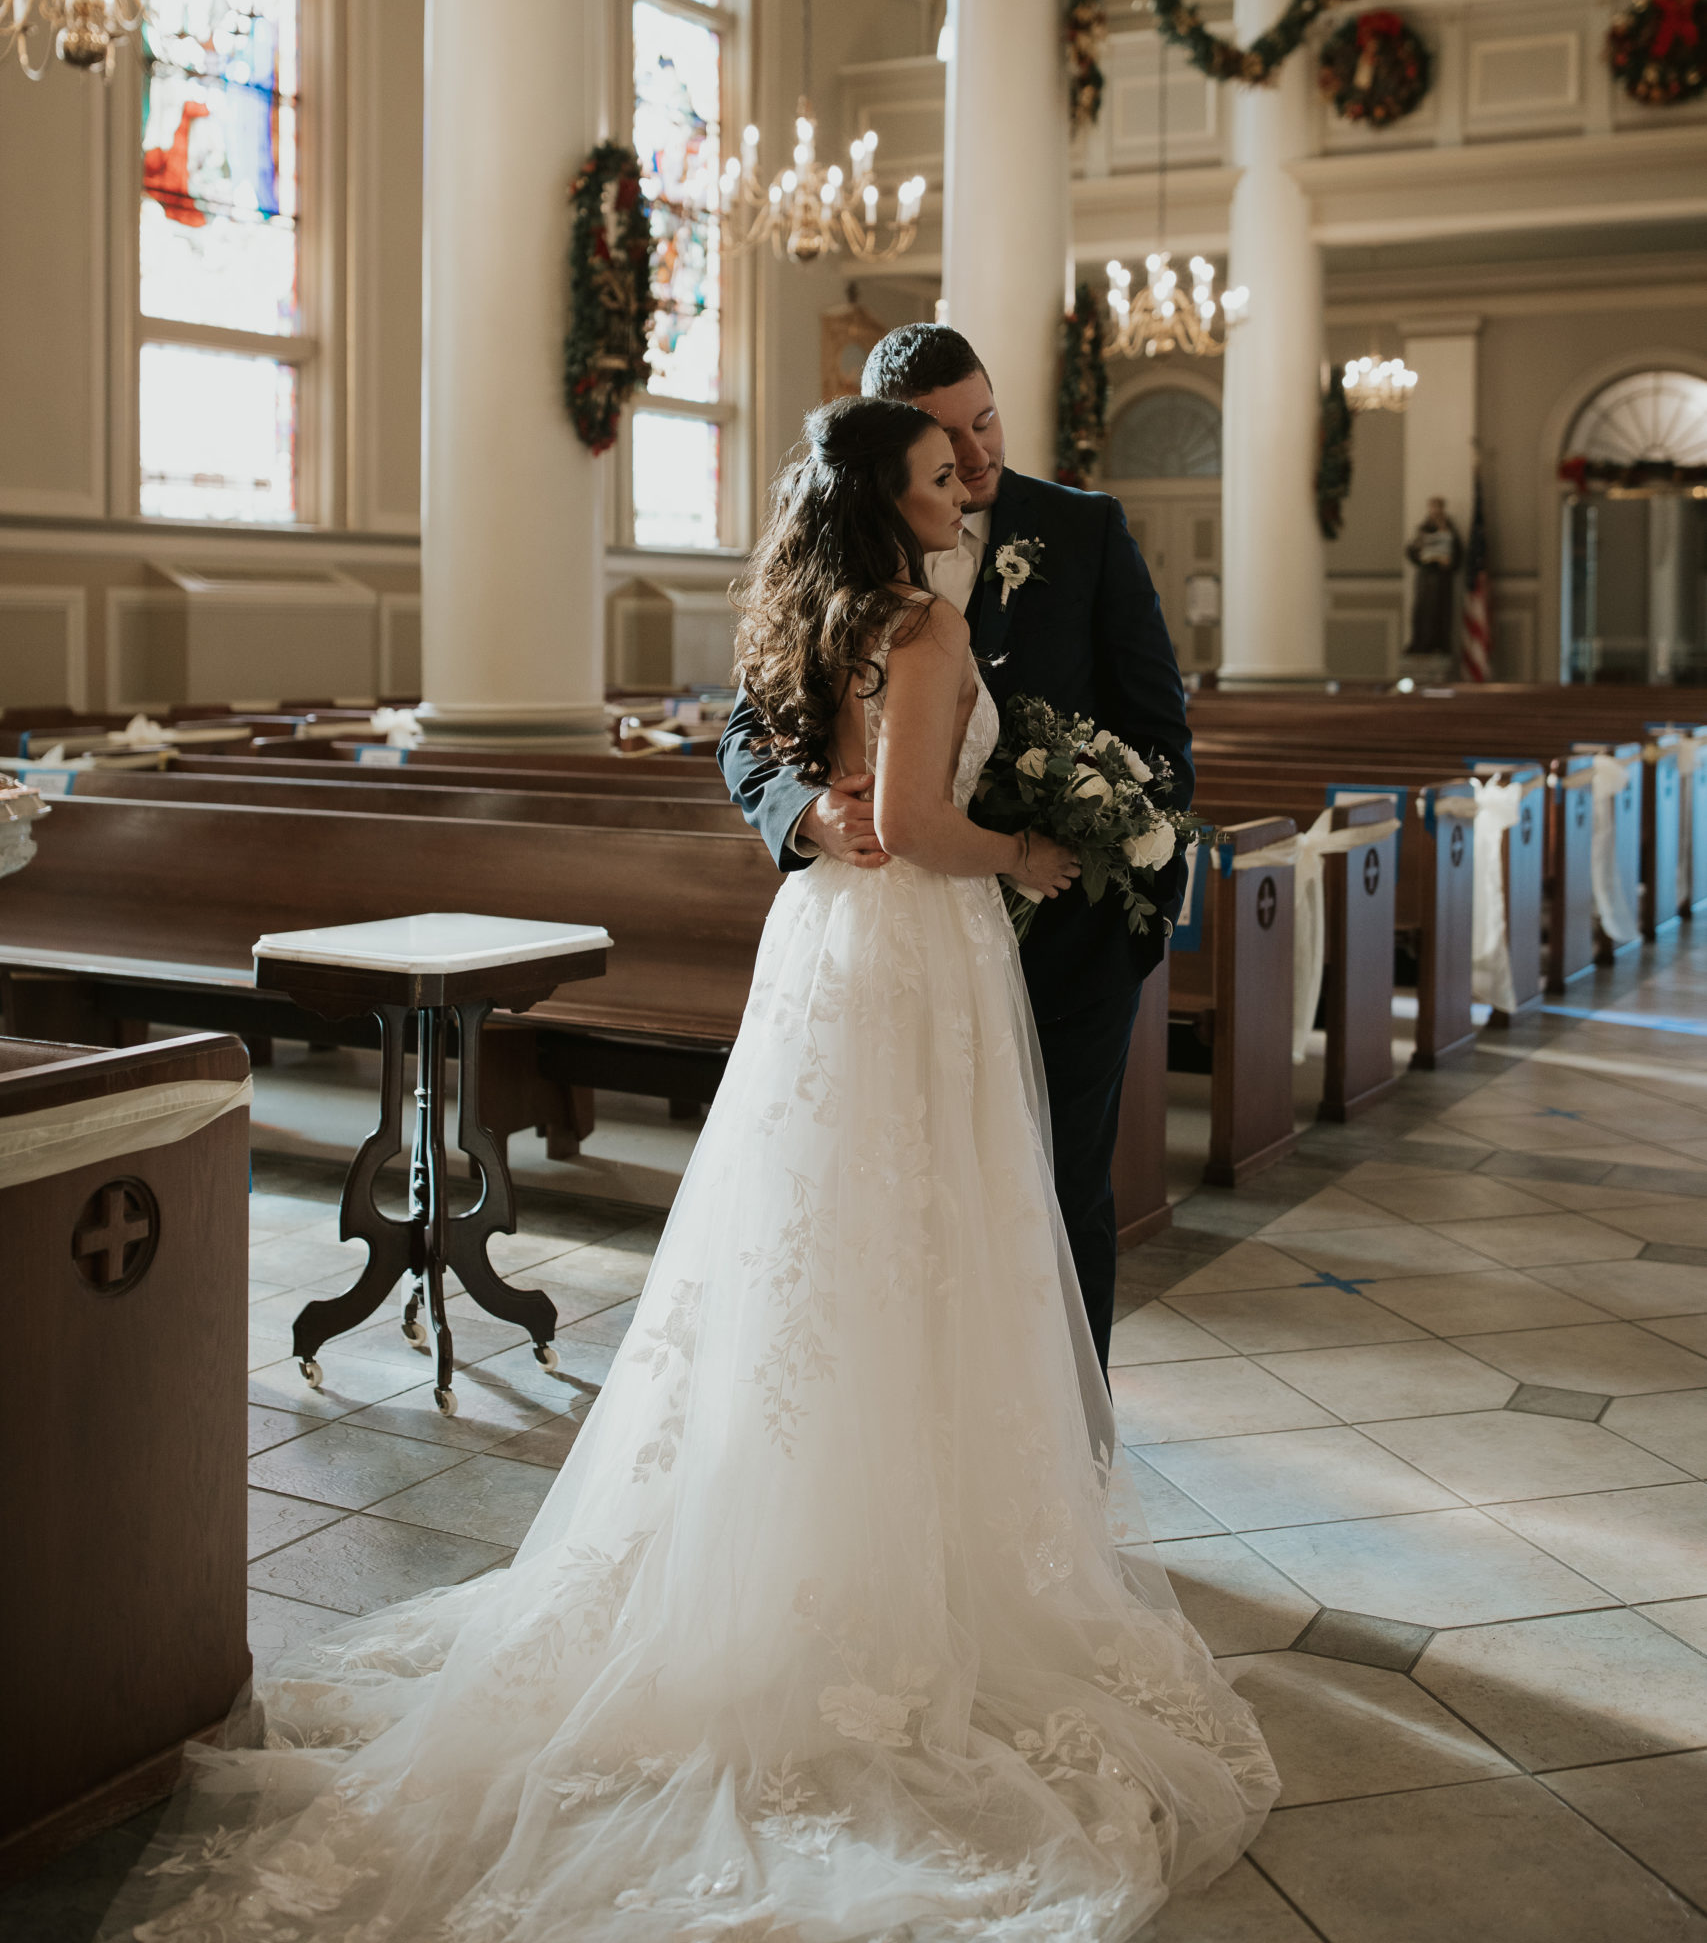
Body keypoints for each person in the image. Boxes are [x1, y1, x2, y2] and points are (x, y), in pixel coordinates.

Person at [114, 395, 1274, 1943]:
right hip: (911, 944)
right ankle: (906, 1549)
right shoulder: (920, 633)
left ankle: (815, 1522)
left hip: (823, 957)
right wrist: (1028, 855)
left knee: (831, 1238)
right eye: (939, 470)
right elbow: (918, 823)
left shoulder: (816, 615)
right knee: (914, 1228)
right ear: (889, 494)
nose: (962, 484)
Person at [720, 323, 1191, 1372]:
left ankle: (1068, 1456)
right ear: (891, 456)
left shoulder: (1087, 529)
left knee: (1055, 1196)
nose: (976, 458)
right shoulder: (837, 576)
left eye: (987, 421)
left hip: (1063, 940)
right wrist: (805, 809)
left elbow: (1160, 735)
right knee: (890, 1200)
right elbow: (747, 731)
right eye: (946, 441)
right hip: (903, 936)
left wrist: (1123, 877)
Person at [1404, 495, 1462, 656]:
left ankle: (1438, 643)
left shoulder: (1450, 530)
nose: (1435, 511)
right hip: (1426, 577)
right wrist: (1420, 551)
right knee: (1422, 612)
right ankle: (1420, 642)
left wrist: (1448, 561)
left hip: (1441, 580)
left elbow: (1457, 555)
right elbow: (1411, 551)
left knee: (1440, 613)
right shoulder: (1423, 529)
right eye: (1433, 507)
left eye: (1438, 507)